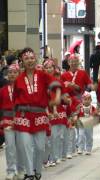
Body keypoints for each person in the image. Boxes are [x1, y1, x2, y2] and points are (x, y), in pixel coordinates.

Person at [13, 47, 62, 180]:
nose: (30, 60)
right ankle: (29, 174)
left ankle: (37, 170)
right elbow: (14, 100)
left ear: (35, 59)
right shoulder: (18, 79)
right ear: (22, 61)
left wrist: (57, 97)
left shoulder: (42, 75)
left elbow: (56, 84)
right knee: (26, 146)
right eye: (26, 58)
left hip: (40, 116)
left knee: (40, 147)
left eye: (32, 58)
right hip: (23, 117)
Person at [0, 64, 24, 180]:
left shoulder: (23, 89)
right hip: (7, 121)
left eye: (15, 72)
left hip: (21, 121)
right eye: (10, 72)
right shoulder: (3, 90)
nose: (12, 74)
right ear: (7, 75)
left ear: (19, 74)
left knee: (20, 146)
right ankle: (10, 170)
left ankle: (20, 170)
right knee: (10, 146)